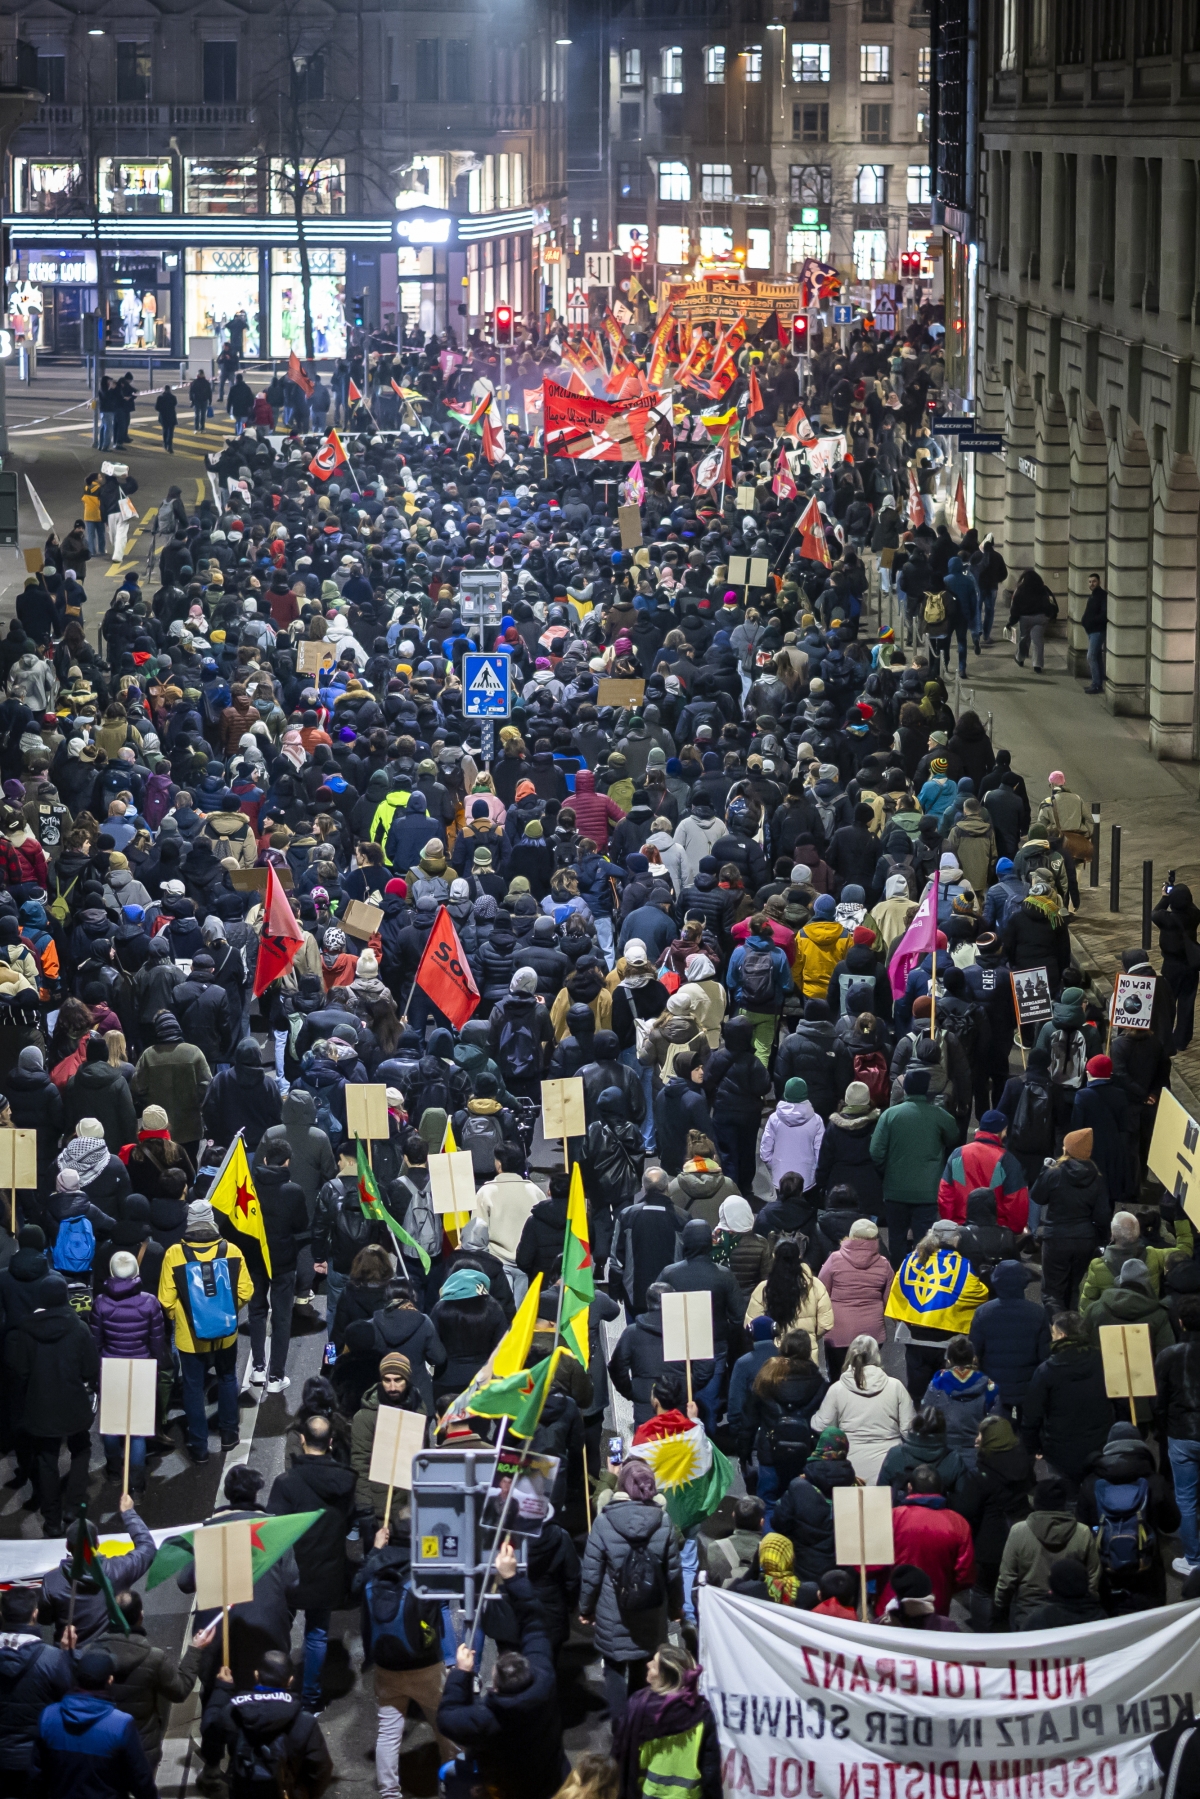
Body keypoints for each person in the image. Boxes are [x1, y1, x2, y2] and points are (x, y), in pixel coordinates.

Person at [438, 1539, 569, 1799]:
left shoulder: (487, 1719)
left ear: (495, 1685)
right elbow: (534, 1622)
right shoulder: (544, 1679)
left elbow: (447, 1716)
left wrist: (461, 1674)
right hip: (552, 1782)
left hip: (507, 1790)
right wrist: (513, 1577)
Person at [578, 1458, 683, 1723]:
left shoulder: (604, 1522)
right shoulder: (664, 1522)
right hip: (651, 1612)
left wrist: (586, 1609)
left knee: (613, 1670)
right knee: (642, 1670)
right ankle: (637, 1728)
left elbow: (591, 1574)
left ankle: (619, 1731)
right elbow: (673, 1574)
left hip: (614, 1613)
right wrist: (675, 1608)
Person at [267, 1412, 357, 1712]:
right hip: (328, 1568)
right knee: (317, 1634)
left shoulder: (287, 1482)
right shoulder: (345, 1481)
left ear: (302, 1439)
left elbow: (274, 1530)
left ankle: (274, 1687)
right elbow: (348, 1519)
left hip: (292, 1570)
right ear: (331, 1443)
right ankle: (311, 1700)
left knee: (278, 1629)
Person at [157, 1197, 255, 1463]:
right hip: (226, 1334)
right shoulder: (231, 1250)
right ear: (212, 1221)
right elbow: (247, 1290)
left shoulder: (174, 1254)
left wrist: (186, 1317)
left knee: (192, 1387)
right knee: (226, 1378)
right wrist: (224, 1311)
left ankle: (199, 1447)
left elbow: (165, 1301)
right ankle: (229, 1434)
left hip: (190, 1339)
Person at [4, 1271, 100, 1536]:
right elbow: (91, 1369)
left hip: (40, 1405)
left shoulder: (26, 1328)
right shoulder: (79, 1327)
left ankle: (52, 1520)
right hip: (73, 1403)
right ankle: (75, 1507)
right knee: (80, 1448)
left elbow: (20, 1370)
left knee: (46, 1460)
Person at [93, 1589, 212, 1771]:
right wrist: (195, 1650)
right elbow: (180, 1691)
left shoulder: (88, 1656)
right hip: (141, 1749)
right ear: (141, 1616)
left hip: (100, 1747)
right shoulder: (153, 1658)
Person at [199, 1647, 333, 1799]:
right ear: (290, 1680)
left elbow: (209, 1728)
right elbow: (321, 1769)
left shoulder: (233, 1713)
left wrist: (222, 1689)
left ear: (256, 1675)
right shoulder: (304, 1722)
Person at [30, 1647, 158, 1799]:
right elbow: (141, 1780)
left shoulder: (48, 1716)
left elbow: (37, 1776)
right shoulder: (121, 1725)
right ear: (110, 1680)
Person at [870, 1067, 959, 1264]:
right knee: (924, 1241)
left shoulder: (890, 1115)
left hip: (895, 1190)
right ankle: (921, 1280)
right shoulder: (939, 1115)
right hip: (928, 1191)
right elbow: (954, 1136)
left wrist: (888, 1172)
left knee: (896, 1239)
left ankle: (899, 1279)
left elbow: (876, 1152)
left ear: (906, 1089)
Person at [611, 1643, 722, 1799]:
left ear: (666, 1677)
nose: (648, 1664)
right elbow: (710, 1770)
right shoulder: (701, 1713)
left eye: (654, 1665)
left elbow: (620, 1752)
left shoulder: (639, 1707)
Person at [1020, 1311, 1114, 1488]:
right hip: (1100, 1444)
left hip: (1061, 1450)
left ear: (1062, 1335)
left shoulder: (1046, 1371)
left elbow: (1032, 1415)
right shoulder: (1102, 1360)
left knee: (1066, 1498)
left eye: (1053, 1334)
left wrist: (1033, 1447)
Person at [991, 1476, 1100, 1628]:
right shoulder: (1082, 1532)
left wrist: (999, 1606)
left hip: (1028, 1615)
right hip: (1074, 1615)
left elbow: (1007, 1579)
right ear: (1063, 1503)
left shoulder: (1019, 1531)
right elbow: (1093, 1577)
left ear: (1035, 1502)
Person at [809, 1333, 914, 1484]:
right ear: (876, 1356)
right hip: (889, 1466)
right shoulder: (895, 1386)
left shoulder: (837, 1389)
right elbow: (908, 1430)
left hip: (850, 1466)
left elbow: (821, 1425)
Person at [875, 1465, 976, 1617]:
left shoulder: (892, 1517)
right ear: (940, 1488)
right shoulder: (958, 1523)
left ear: (910, 1487)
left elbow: (873, 1564)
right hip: (935, 1605)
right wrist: (944, 1587)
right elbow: (965, 1576)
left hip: (892, 1603)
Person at [1154, 1293, 1200, 1578]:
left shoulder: (1169, 1355)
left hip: (1181, 1433)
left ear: (1180, 1322)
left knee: (1186, 1498)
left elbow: (1159, 1401)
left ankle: (1194, 1559)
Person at [818, 1219, 892, 1382]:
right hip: (872, 1333)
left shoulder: (834, 1259)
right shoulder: (884, 1264)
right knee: (868, 1378)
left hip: (839, 1331)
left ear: (850, 1236)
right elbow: (890, 1300)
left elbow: (821, 1291)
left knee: (838, 1379)